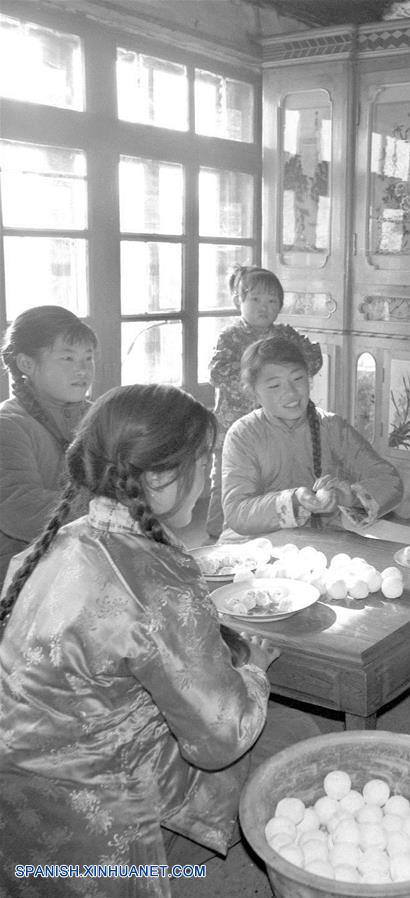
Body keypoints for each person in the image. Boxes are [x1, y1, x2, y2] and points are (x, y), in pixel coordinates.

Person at [0, 384, 279, 898]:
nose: (209, 475)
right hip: (94, 812)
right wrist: (255, 670)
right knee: (274, 747)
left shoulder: (57, 541)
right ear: (157, 475)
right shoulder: (159, 586)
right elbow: (221, 738)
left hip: (14, 785)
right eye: (204, 460)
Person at [221, 335, 403, 537]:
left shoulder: (332, 427)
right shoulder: (243, 435)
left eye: (298, 379)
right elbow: (237, 512)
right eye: (274, 386)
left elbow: (390, 481)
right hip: (256, 544)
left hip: (321, 539)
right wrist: (293, 500)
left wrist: (348, 497)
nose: (291, 392)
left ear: (309, 379)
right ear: (253, 393)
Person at [207, 264, 322, 538]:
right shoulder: (231, 337)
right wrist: (256, 385)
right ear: (239, 301)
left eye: (272, 301)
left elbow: (312, 359)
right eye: (255, 299)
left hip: (278, 424)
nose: (264, 307)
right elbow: (217, 372)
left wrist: (289, 381)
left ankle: (269, 523)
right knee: (228, 478)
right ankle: (217, 532)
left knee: (273, 471)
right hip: (234, 425)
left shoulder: (286, 336)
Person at [0, 305, 98, 584]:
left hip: (84, 555)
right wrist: (104, 505)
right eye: (68, 358)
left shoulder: (97, 415)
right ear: (27, 364)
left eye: (88, 358)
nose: (82, 369)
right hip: (25, 570)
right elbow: (19, 509)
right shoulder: (8, 424)